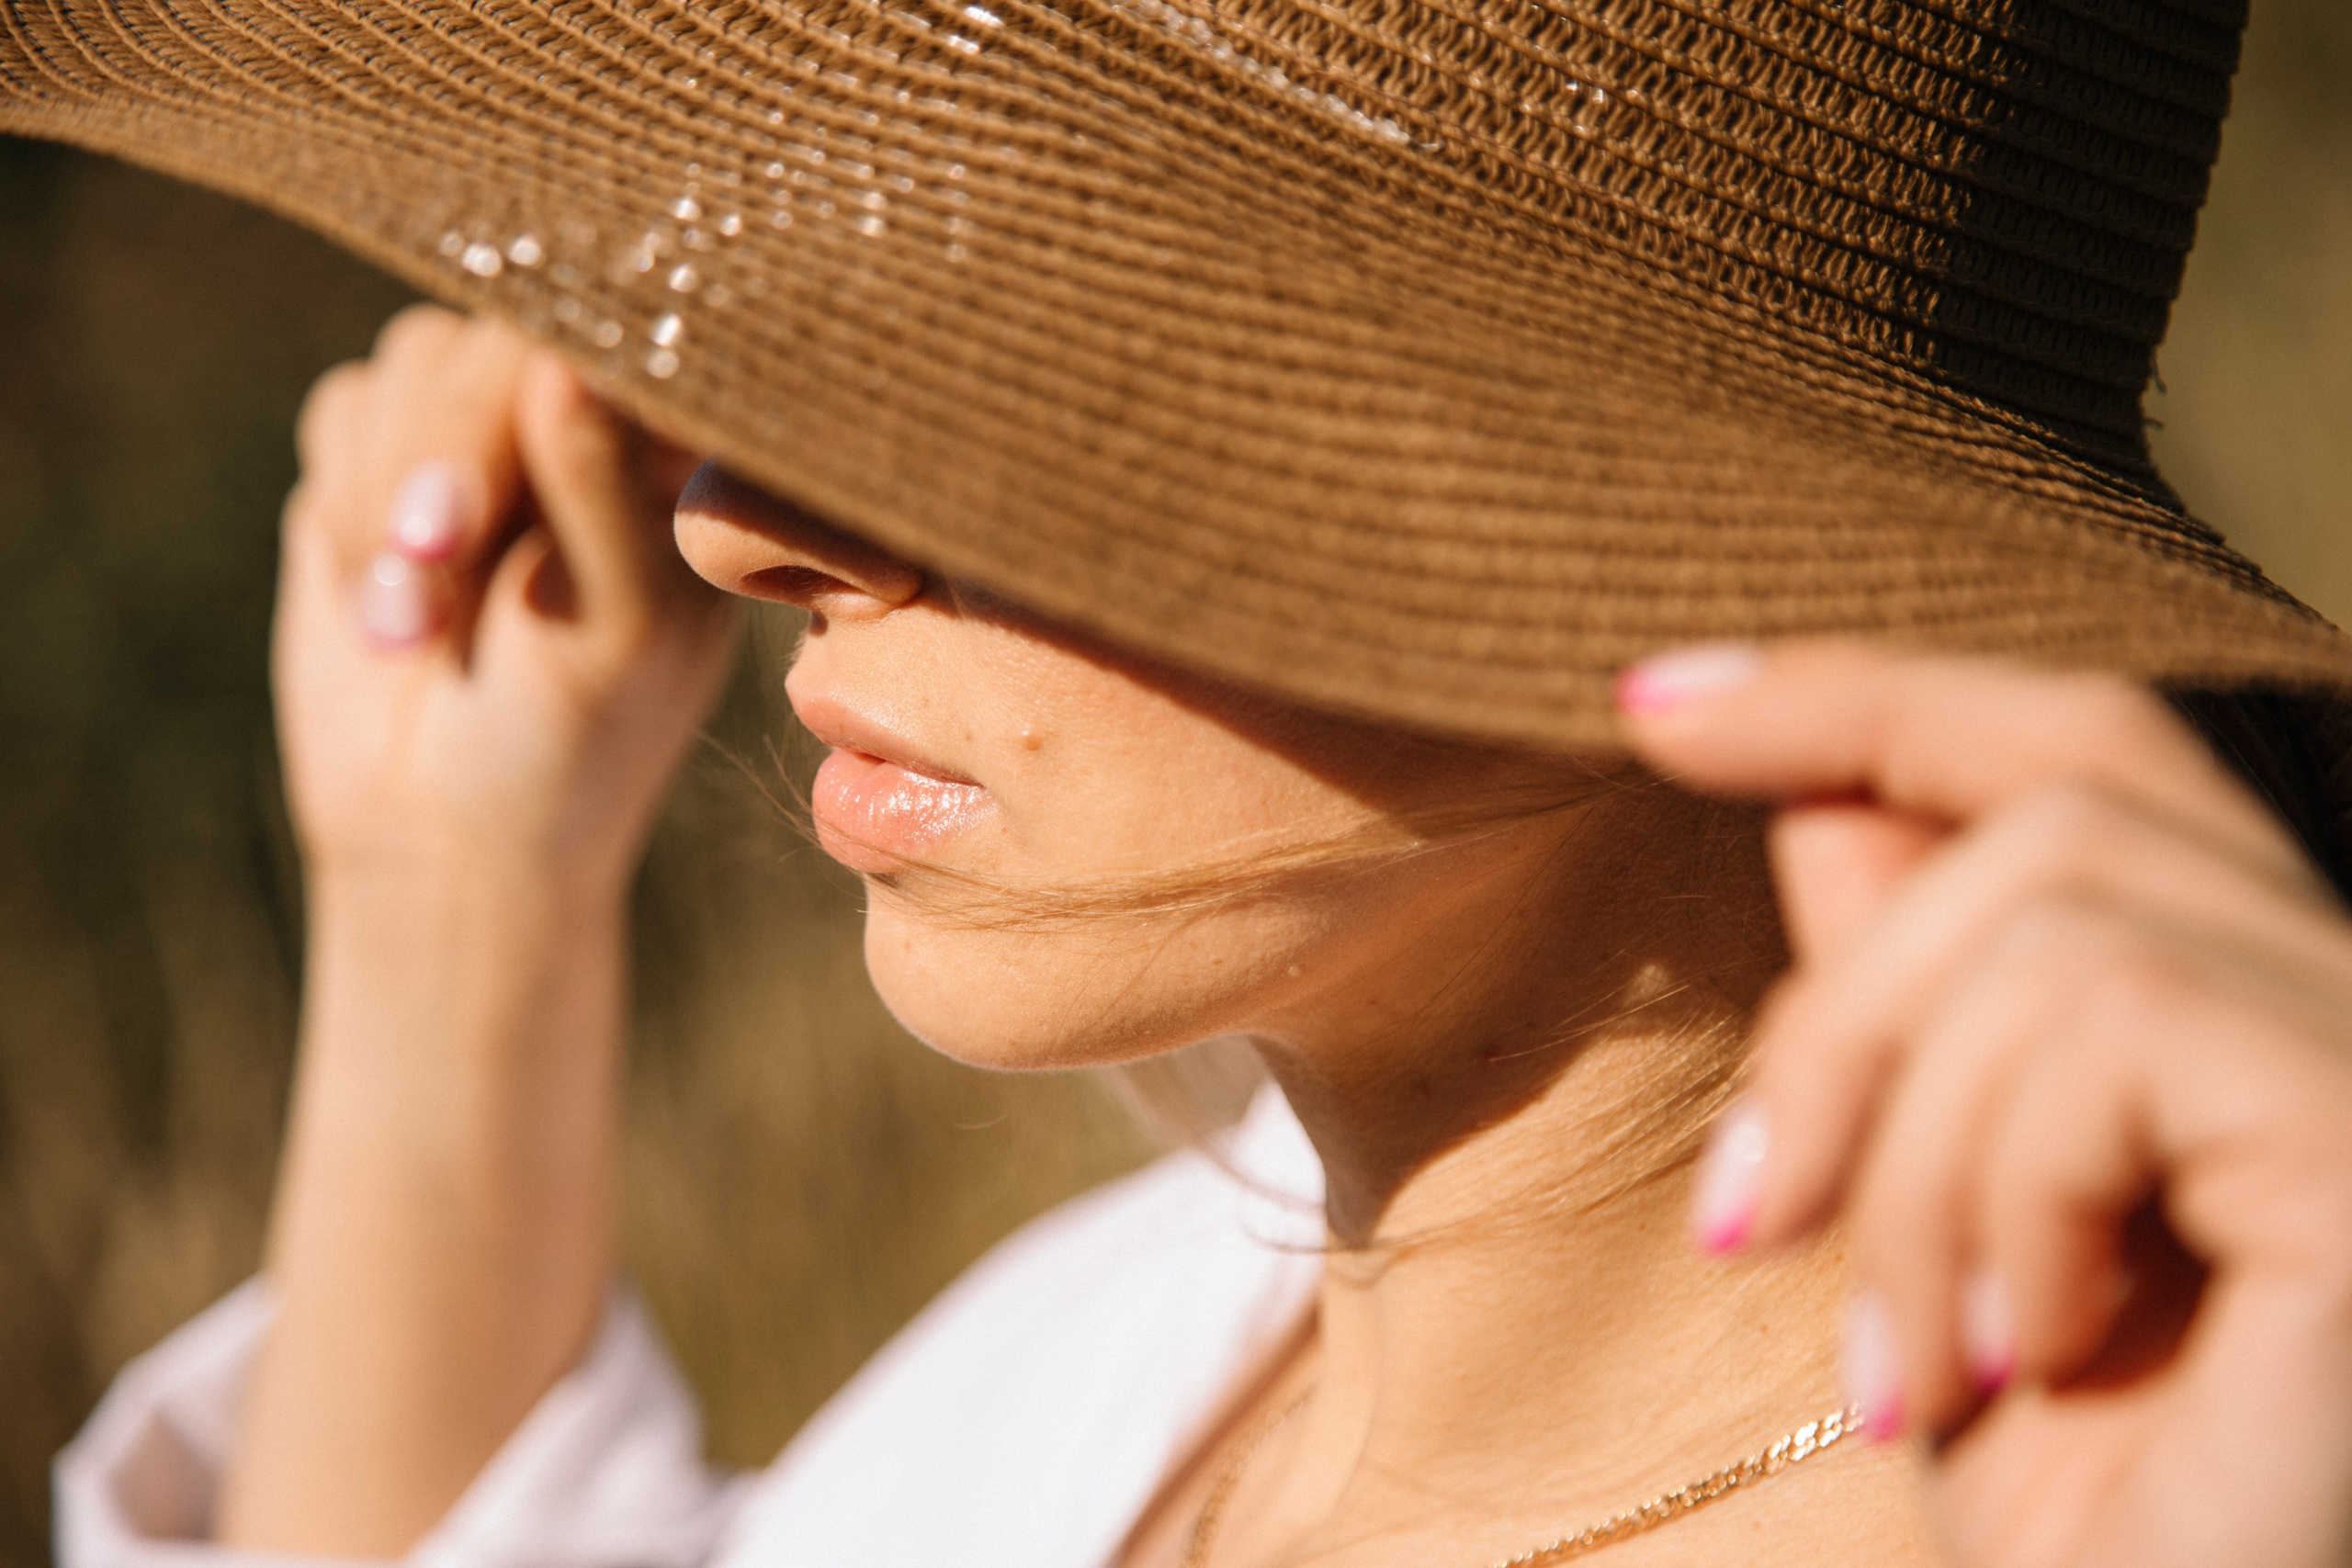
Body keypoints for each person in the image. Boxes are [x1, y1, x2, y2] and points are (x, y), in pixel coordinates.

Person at [15, 0, 2352, 1564]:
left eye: (1074, 361)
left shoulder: (2161, 1489)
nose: (739, 521)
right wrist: (452, 891)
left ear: (1673, 488)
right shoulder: (1158, 1327)